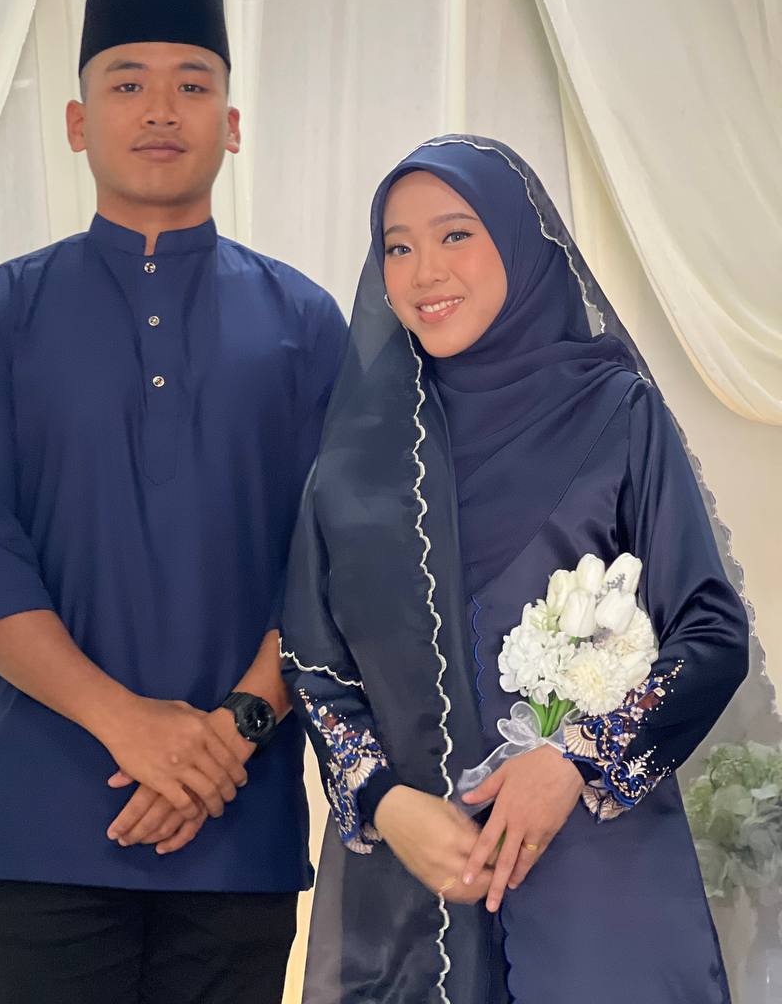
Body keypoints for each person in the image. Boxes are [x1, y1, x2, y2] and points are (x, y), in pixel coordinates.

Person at [0, 0, 347, 1004]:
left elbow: (336, 561)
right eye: (127, 84)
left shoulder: (305, 324)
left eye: (192, 85)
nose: (161, 109)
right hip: (46, 820)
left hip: (237, 819)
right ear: (77, 123)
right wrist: (133, 725)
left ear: (232, 126)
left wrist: (232, 733)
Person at [280, 135, 749, 1002]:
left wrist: (574, 759)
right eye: (397, 247)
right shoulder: (355, 461)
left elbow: (712, 631)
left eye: (456, 234)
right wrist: (384, 802)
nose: (425, 272)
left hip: (598, 884)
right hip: (419, 892)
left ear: (520, 240)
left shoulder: (615, 413)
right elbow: (314, 666)